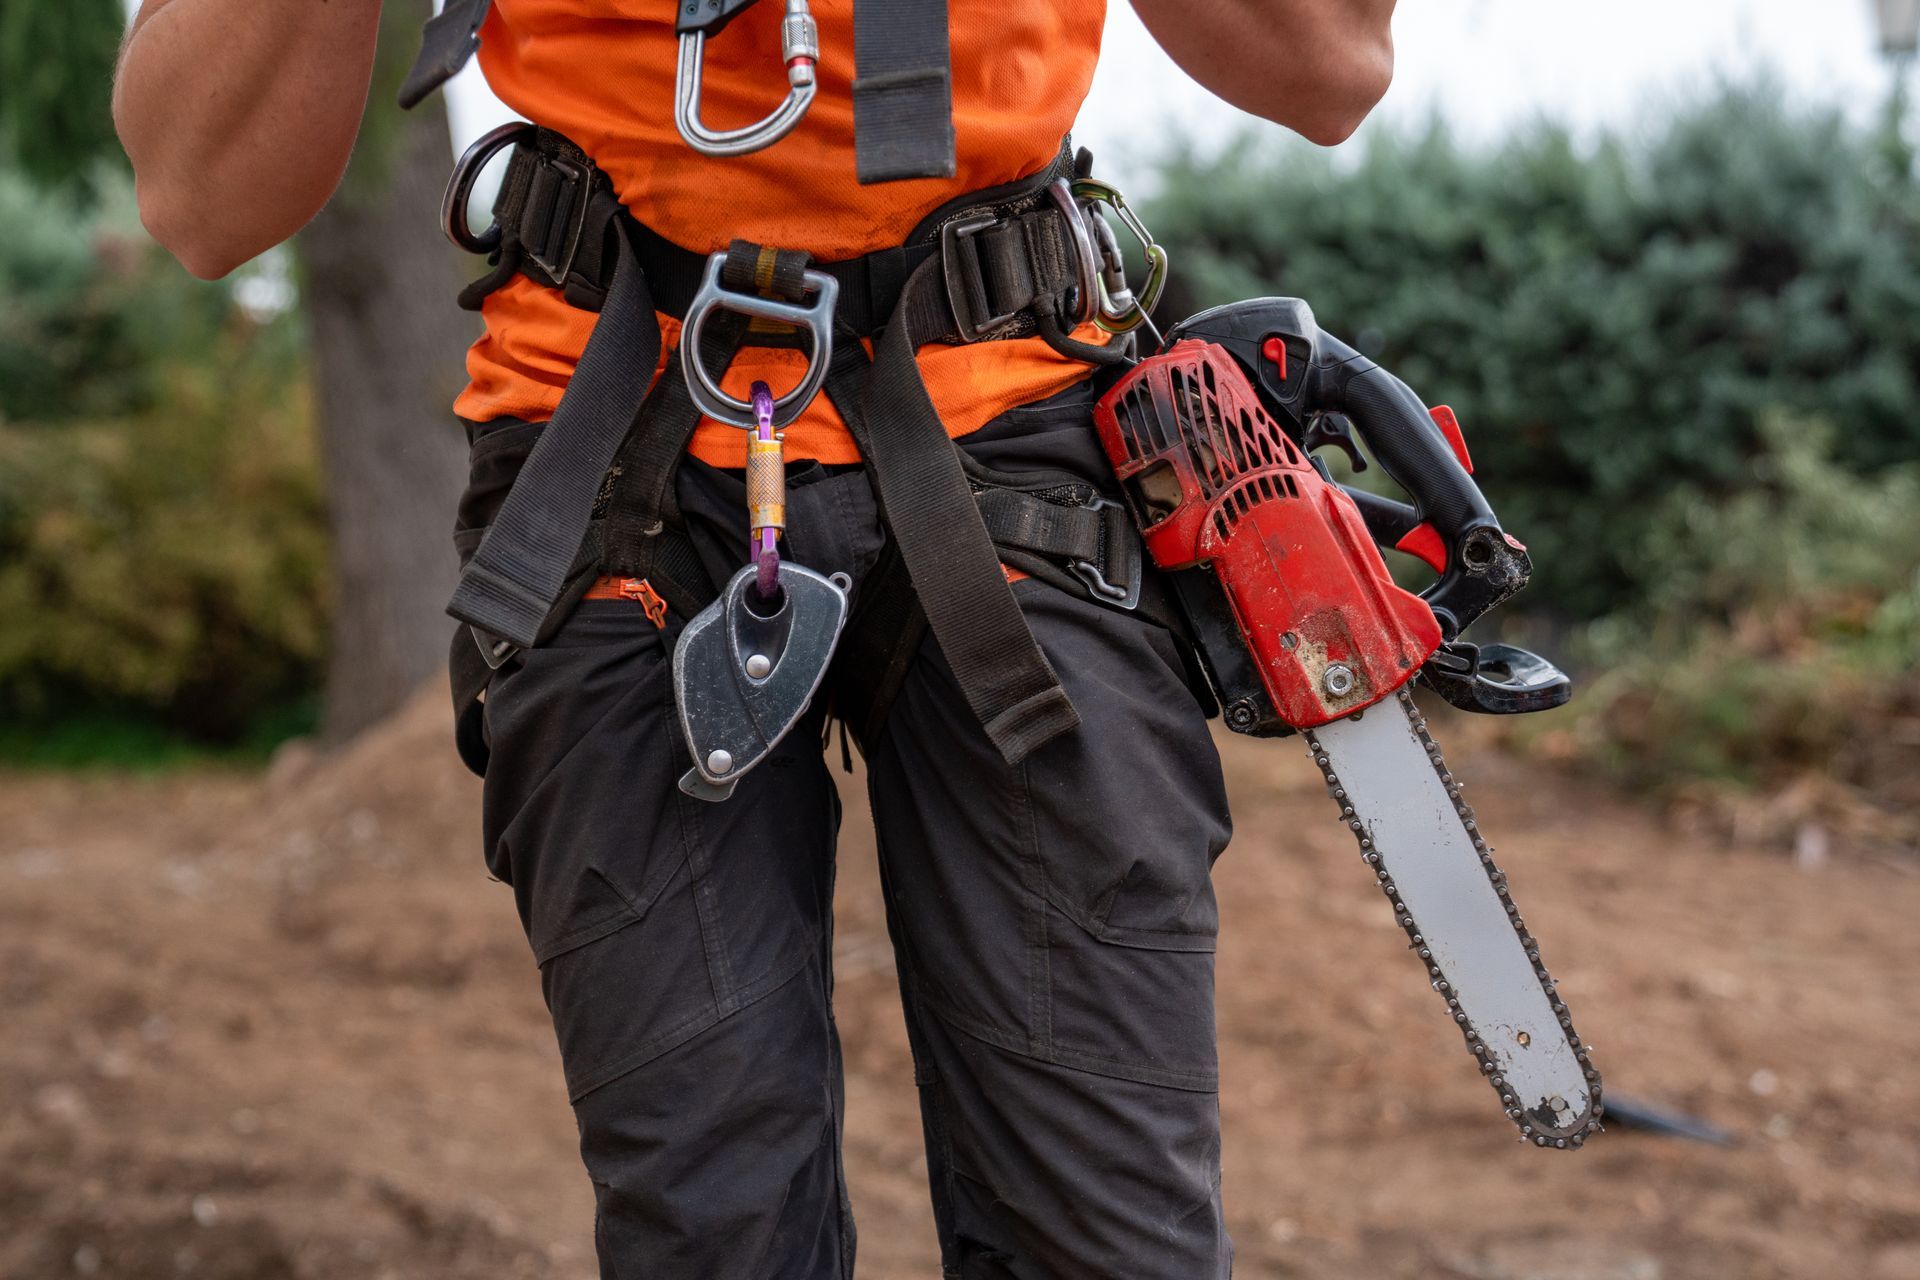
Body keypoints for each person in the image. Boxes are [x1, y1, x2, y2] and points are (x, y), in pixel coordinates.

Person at [115, 2, 1396, 1275]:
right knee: (712, 1232)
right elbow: (200, 194)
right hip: (612, 440)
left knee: (1110, 1247)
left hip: (1008, 428)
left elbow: (1327, 67)